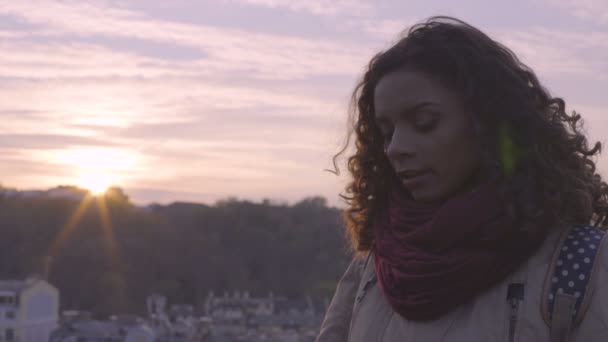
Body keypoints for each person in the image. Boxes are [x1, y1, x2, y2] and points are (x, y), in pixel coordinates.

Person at [316, 16, 608, 342]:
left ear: (488, 124)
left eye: (424, 122)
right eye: (387, 133)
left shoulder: (580, 269)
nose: (396, 148)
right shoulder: (373, 267)